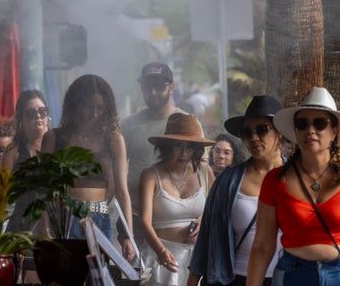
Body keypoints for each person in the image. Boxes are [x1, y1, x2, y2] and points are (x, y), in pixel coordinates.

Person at [247, 87, 340, 286]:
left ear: (334, 130)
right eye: (302, 123)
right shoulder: (275, 179)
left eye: (320, 123)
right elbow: (262, 246)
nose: (310, 130)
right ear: (295, 130)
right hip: (293, 276)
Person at [187, 95, 284, 286]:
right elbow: (207, 235)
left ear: (280, 131)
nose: (253, 137)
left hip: (283, 279)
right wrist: (192, 280)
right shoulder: (228, 180)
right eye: (247, 132)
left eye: (262, 129)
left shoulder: (296, 178)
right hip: (232, 278)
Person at [41, 74, 135, 261]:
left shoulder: (114, 139)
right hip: (64, 219)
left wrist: (128, 237)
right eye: (88, 107)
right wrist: (45, 229)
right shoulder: (54, 138)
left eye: (99, 108)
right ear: (75, 107)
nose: (94, 113)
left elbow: (123, 192)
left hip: (99, 220)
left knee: (98, 278)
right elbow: (45, 190)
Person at [121, 62, 204, 245]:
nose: (153, 92)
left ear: (172, 87)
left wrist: (202, 218)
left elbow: (202, 173)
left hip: (177, 221)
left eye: (159, 86)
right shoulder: (128, 125)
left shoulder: (187, 123)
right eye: (147, 86)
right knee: (138, 272)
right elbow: (116, 171)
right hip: (135, 217)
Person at [139, 113, 215, 286]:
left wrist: (203, 222)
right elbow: (144, 221)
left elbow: (217, 211)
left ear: (196, 149)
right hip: (161, 257)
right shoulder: (151, 175)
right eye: (177, 146)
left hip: (197, 258)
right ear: (166, 146)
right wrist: (161, 251)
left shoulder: (205, 171)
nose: (184, 153)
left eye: (189, 147)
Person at [2, 89, 51, 233]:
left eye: (42, 111)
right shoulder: (13, 150)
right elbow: (0, 193)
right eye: (31, 113)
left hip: (55, 224)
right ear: (21, 120)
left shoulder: (59, 145)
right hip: (22, 225)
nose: (38, 116)